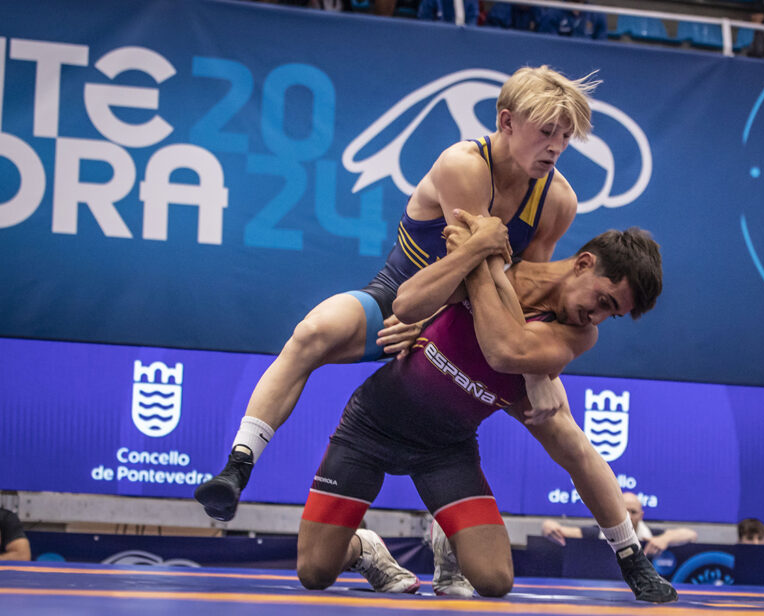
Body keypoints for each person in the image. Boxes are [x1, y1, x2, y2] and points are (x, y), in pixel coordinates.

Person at [194, 65, 600, 522]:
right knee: (312, 332)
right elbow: (474, 265)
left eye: (565, 137)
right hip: (399, 298)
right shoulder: (463, 165)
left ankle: (628, 550)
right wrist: (424, 321)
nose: (556, 148)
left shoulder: (558, 199)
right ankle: (238, 467)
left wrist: (538, 376)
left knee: (559, 423)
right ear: (506, 122)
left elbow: (525, 287)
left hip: (467, 325)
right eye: (546, 132)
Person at [297, 224, 678, 603]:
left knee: (496, 580)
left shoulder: (574, 333)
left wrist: (486, 267)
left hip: (444, 451)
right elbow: (406, 302)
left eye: (609, 314)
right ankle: (366, 549)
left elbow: (505, 352)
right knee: (315, 571)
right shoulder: (509, 262)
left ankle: (452, 545)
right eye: (603, 300)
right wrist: (476, 258)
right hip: (371, 426)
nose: (595, 317)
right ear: (583, 263)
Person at [541, 492, 698, 557]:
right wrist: (547, 525)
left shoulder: (652, 535)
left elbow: (691, 535)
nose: (628, 516)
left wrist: (667, 538)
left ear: (641, 515)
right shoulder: (597, 532)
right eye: (624, 511)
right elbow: (556, 528)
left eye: (633, 512)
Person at [537, 0, 608, 40]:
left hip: (589, 57)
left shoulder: (597, 13)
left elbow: (601, 44)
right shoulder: (552, 13)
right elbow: (548, 43)